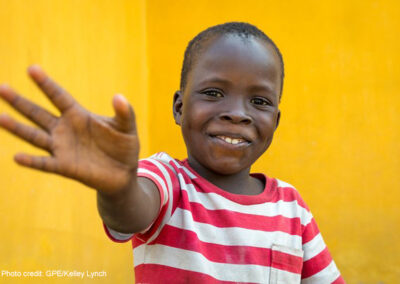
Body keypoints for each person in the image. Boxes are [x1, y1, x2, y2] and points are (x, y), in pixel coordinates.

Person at [0, 22, 344, 283]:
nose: (237, 113)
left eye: (259, 101)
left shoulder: (291, 208)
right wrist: (117, 186)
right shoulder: (167, 181)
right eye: (213, 93)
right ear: (179, 107)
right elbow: (130, 212)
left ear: (276, 120)